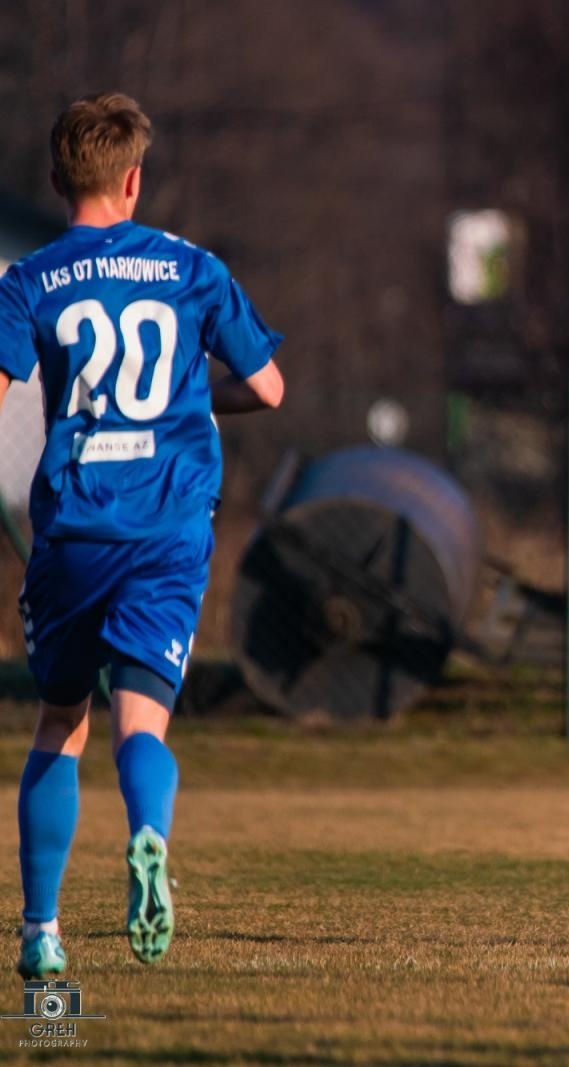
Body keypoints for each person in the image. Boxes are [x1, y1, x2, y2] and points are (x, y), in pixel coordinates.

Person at [0, 92, 285, 978]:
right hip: (167, 528)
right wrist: (190, 400)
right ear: (134, 180)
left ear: (56, 182)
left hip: (76, 530)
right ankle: (149, 834)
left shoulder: (28, 280)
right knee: (141, 723)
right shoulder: (195, 269)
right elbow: (270, 387)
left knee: (58, 723)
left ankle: (42, 932)